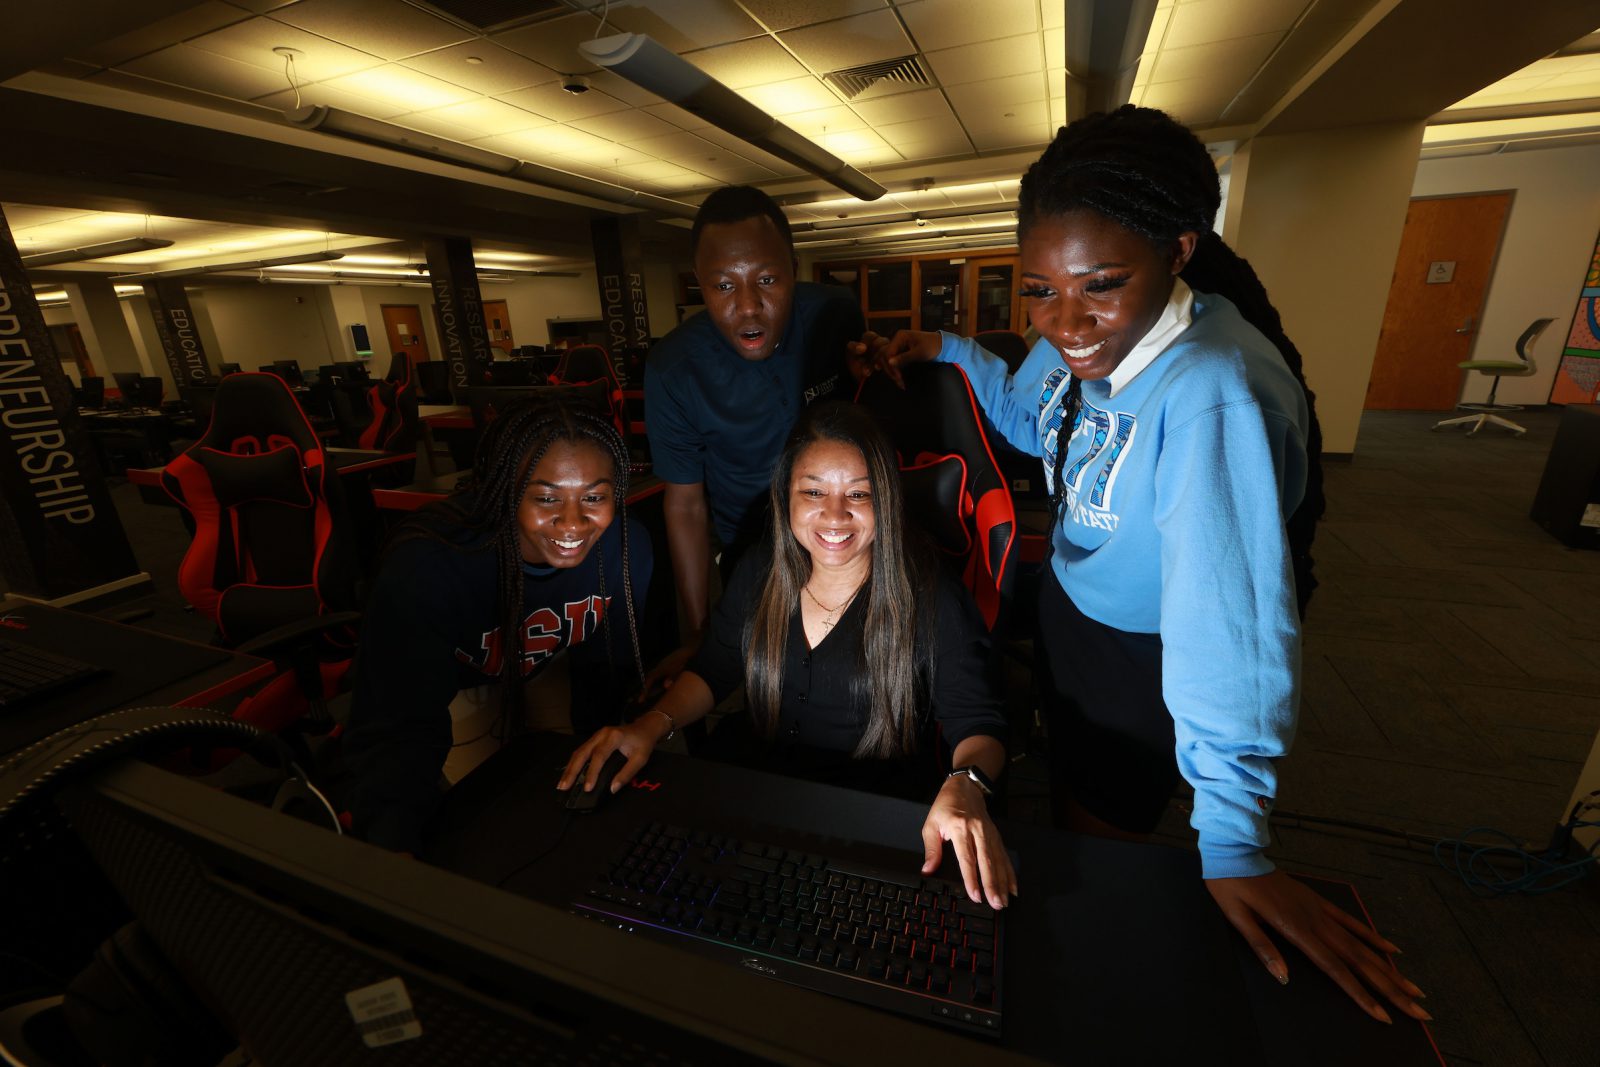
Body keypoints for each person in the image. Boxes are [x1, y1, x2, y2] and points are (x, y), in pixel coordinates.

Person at [860, 105, 1425, 1024]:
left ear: (1179, 250)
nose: (1065, 323)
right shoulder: (1075, 346)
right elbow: (1037, 420)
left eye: (1100, 285)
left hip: (1146, 658)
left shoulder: (1213, 393)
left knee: (1091, 854)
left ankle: (1062, 998)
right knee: (1061, 798)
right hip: (1076, 615)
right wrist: (950, 347)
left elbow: (1228, 625)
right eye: (1038, 289)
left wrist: (1235, 843)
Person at [559, 403, 1016, 909]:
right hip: (759, 793)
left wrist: (967, 784)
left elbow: (979, 726)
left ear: (886, 500)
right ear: (786, 497)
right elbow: (713, 670)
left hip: (873, 811)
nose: (835, 514)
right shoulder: (759, 569)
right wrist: (649, 726)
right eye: (814, 491)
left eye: (859, 494)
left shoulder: (932, 594)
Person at [343, 395, 650, 854]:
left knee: (564, 824)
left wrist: (592, 774)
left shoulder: (626, 547)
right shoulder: (429, 565)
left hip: (547, 666)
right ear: (508, 491)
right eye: (546, 497)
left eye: (594, 497)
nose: (573, 521)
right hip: (455, 689)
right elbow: (400, 725)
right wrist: (396, 852)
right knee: (479, 828)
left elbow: (606, 669)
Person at [644, 185, 866, 691]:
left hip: (844, 528)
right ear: (698, 283)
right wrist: (700, 634)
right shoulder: (674, 369)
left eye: (767, 280)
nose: (748, 306)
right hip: (751, 550)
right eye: (723, 286)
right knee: (768, 685)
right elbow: (685, 507)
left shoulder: (834, 316)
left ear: (793, 270)